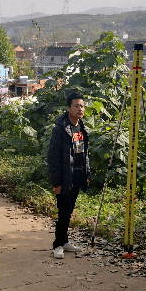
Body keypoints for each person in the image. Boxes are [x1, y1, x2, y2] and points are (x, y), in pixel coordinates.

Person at [47, 90, 91, 259]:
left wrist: (87, 173)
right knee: (63, 211)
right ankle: (57, 244)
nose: (80, 109)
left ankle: (64, 241)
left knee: (69, 210)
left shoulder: (82, 127)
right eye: (76, 106)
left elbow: (84, 154)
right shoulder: (60, 129)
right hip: (65, 177)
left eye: (82, 106)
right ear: (68, 108)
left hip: (77, 175)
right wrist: (56, 182)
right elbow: (54, 157)